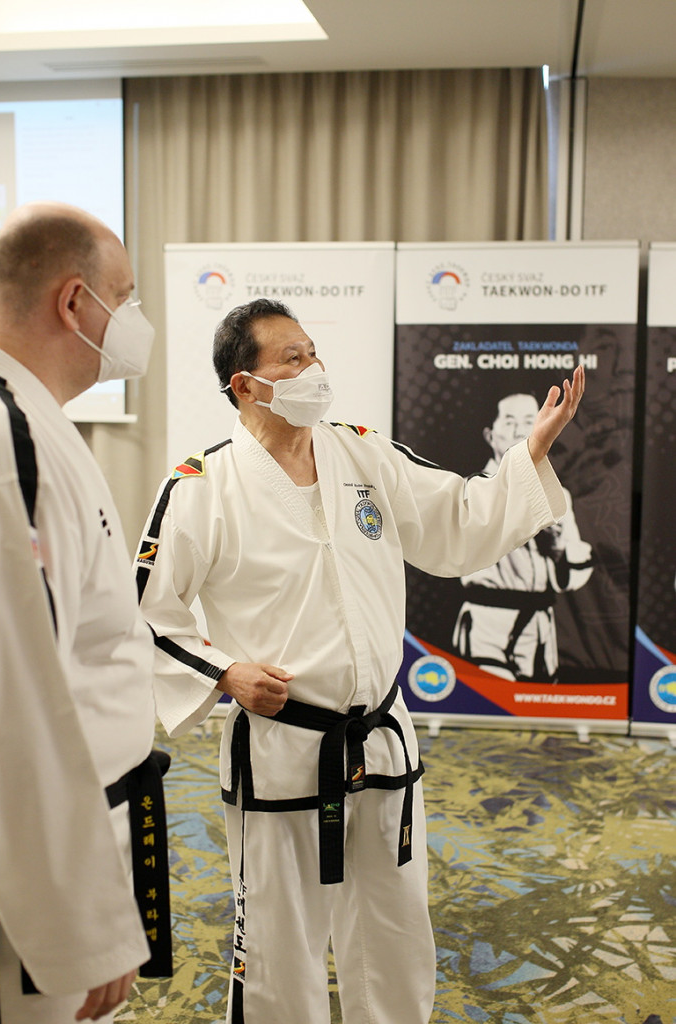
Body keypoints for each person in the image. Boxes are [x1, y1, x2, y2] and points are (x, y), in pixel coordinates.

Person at [136, 298, 584, 1024]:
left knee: (394, 931)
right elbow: (147, 613)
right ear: (245, 384)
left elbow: (458, 518)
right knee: (279, 945)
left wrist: (528, 455)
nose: (314, 367)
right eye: (292, 358)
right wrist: (224, 673)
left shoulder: (362, 452)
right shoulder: (200, 487)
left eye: (313, 351)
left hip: (378, 737)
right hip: (282, 747)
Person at [0, 202, 170, 1024]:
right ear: (73, 302)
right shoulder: (10, 443)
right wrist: (82, 921)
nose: (133, 319)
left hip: (81, 819)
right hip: (46, 858)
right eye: (124, 297)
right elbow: (17, 697)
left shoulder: (32, 419)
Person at [452, 391, 594, 682]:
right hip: (487, 621)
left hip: (539, 624)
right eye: (509, 421)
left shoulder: (557, 494)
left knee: (538, 696)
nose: (519, 430)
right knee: (490, 699)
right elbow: (455, 551)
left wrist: (558, 548)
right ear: (490, 435)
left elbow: (574, 574)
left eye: (529, 420)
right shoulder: (471, 489)